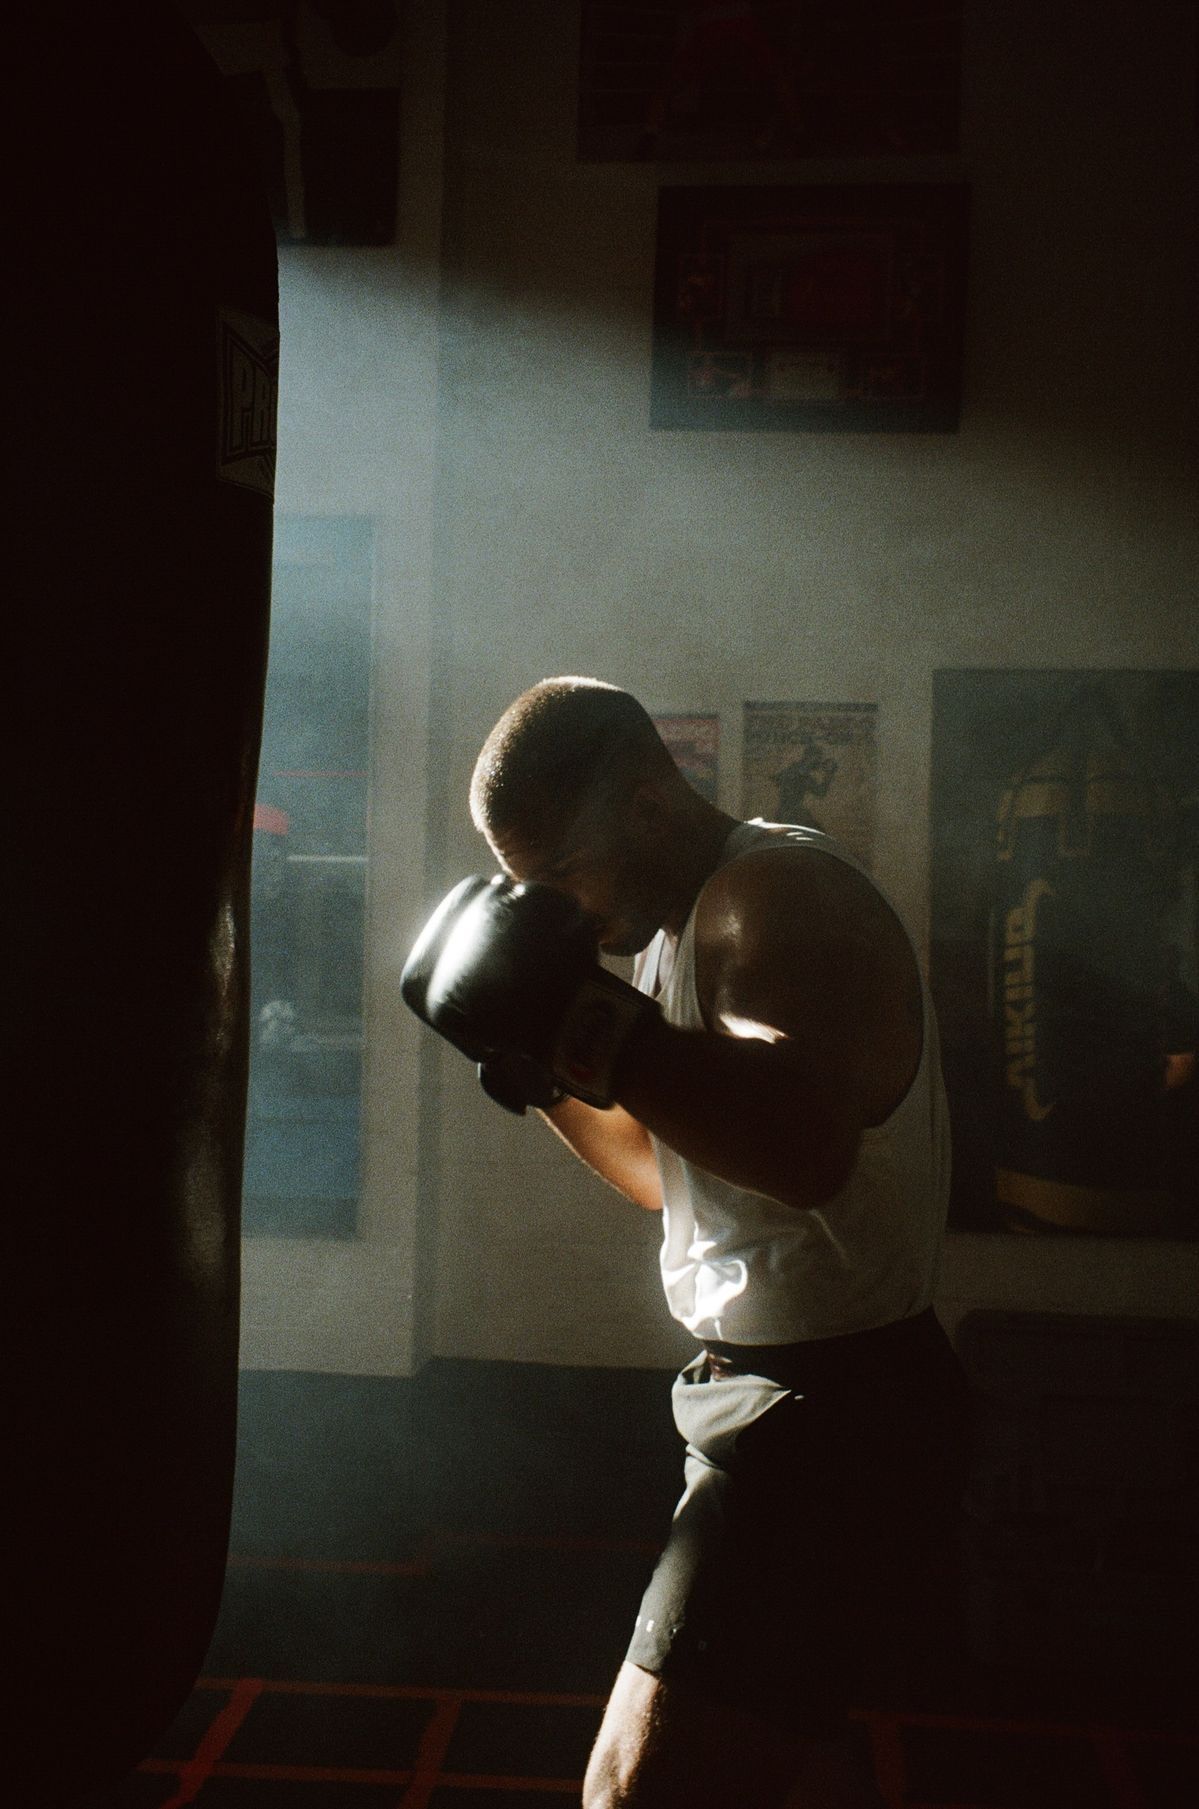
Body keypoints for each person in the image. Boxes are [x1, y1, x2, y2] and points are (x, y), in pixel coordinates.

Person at [402, 677, 971, 1809]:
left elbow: (803, 1144)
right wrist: (544, 1064)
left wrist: (579, 1023)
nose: (558, 914)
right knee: (785, 1771)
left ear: (649, 804)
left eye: (561, 876)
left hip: (825, 1414)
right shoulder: (676, 934)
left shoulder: (769, 896)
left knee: (631, 1789)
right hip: (779, 1398)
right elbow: (673, 1180)